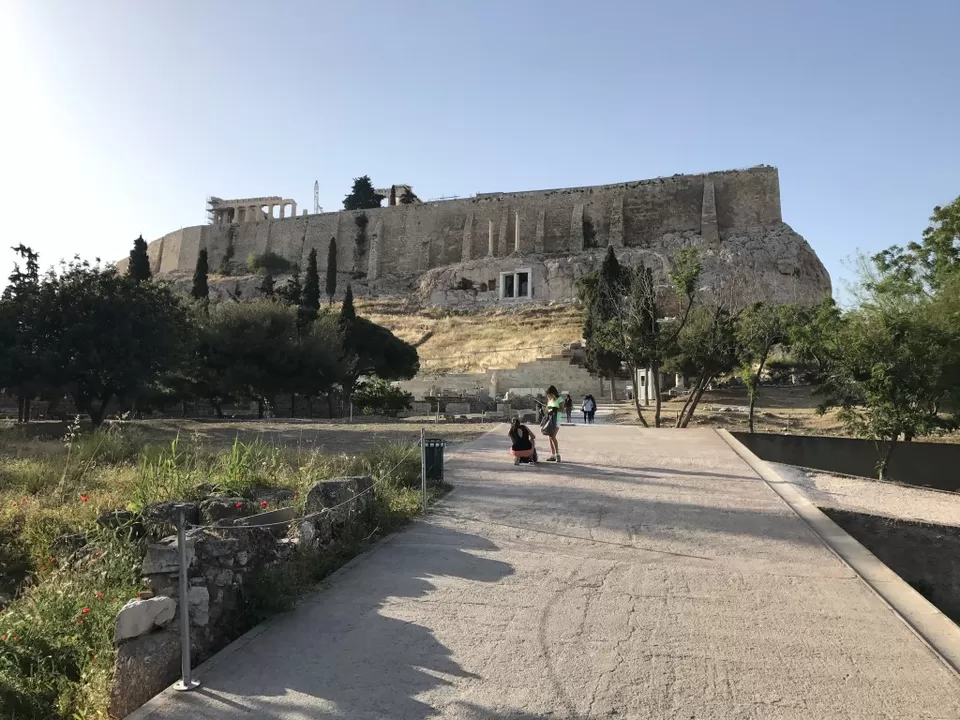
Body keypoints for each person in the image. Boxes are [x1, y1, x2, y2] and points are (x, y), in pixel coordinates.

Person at [541, 385, 563, 462]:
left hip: (557, 419)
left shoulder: (559, 399)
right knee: (550, 437)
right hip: (549, 419)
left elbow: (562, 409)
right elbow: (548, 409)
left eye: (549, 394)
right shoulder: (549, 400)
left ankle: (557, 454)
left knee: (553, 436)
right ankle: (553, 455)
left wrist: (553, 409)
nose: (548, 395)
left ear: (552, 393)